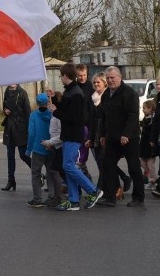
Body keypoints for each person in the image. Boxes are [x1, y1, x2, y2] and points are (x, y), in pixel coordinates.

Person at [47, 63, 103, 211]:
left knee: (68, 166)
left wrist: (55, 112)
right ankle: (73, 200)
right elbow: (66, 109)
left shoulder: (76, 93)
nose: (60, 78)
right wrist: (55, 99)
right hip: (68, 134)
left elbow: (75, 118)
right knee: (67, 167)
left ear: (66, 76)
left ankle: (93, 190)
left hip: (74, 134)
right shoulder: (70, 91)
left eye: (61, 76)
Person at [97, 66, 145, 207]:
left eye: (112, 77)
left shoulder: (129, 93)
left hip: (129, 138)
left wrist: (126, 134)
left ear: (120, 77)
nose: (110, 80)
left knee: (134, 167)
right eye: (108, 78)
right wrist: (103, 135)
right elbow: (104, 116)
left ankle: (138, 197)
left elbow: (133, 116)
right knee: (107, 165)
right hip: (112, 137)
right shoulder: (106, 94)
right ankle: (110, 196)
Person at [26, 93, 54, 207]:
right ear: (47, 102)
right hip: (51, 146)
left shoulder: (33, 115)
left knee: (36, 174)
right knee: (51, 173)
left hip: (38, 148)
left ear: (37, 103)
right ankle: (52, 196)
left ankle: (38, 198)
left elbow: (31, 133)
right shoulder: (52, 114)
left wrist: (29, 149)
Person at [1, 84, 32, 191]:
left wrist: (29, 130)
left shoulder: (22, 93)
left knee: (23, 155)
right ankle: (11, 180)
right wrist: (5, 111)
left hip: (21, 128)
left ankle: (37, 172)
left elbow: (28, 112)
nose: (12, 83)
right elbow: (4, 106)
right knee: (10, 155)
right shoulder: (6, 91)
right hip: (9, 128)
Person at [139, 100, 157, 190]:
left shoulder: (153, 120)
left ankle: (152, 181)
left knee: (150, 164)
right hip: (143, 144)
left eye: (144, 108)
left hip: (150, 145)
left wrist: (153, 141)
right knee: (142, 162)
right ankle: (148, 175)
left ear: (150, 109)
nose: (143, 110)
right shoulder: (145, 119)